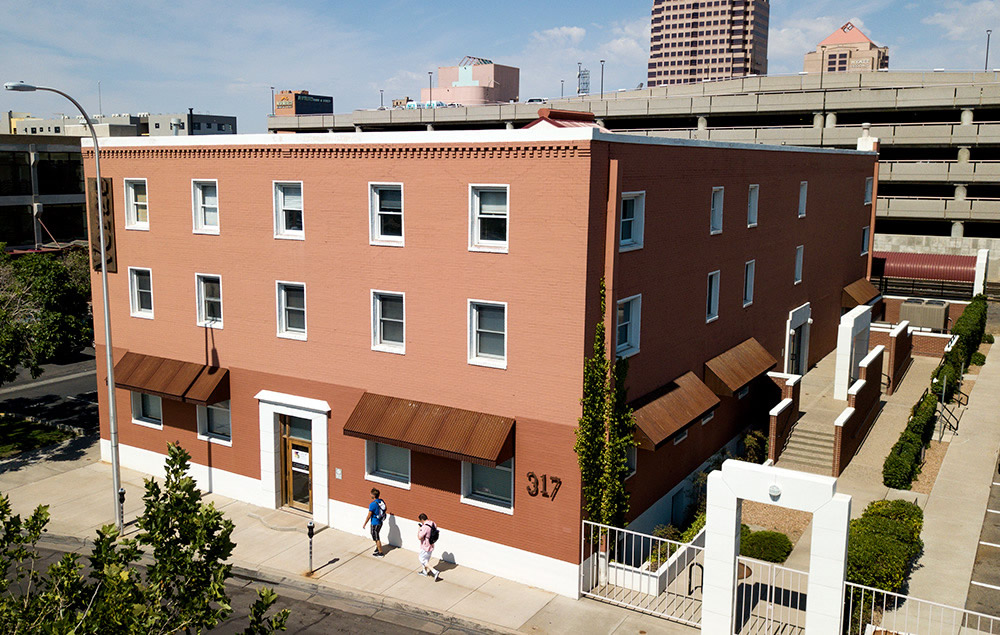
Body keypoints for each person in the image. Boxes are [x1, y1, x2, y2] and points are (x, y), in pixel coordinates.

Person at [362, 488, 386, 557]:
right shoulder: (381, 501)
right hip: (380, 522)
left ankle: (380, 552)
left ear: (373, 495)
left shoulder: (372, 504)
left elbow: (369, 515)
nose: (370, 495)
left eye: (371, 494)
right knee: (376, 535)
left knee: (376, 537)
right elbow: (385, 508)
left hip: (375, 523)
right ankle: (378, 548)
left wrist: (365, 524)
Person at [416, 513, 440, 580]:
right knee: (426, 560)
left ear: (422, 520)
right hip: (431, 544)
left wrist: (419, 530)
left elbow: (419, 537)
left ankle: (435, 572)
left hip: (425, 546)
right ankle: (424, 572)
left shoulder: (424, 527)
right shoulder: (433, 523)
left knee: (422, 559)